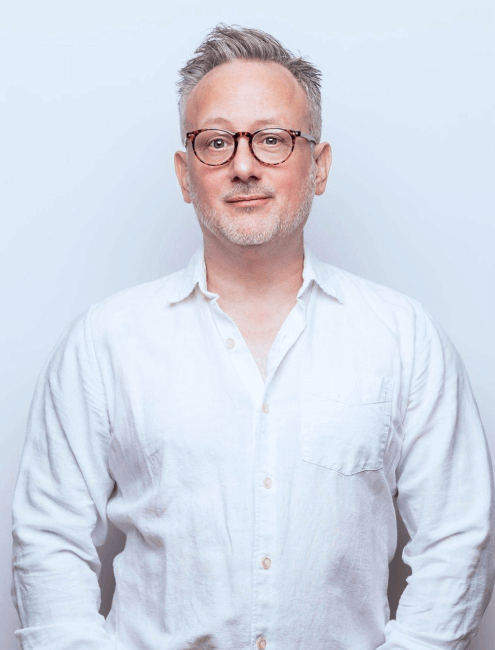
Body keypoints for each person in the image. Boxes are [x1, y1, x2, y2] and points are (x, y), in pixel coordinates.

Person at [11, 23, 495, 650]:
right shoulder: (105, 342)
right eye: (216, 143)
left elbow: (457, 538)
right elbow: (48, 538)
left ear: (318, 166)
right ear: (185, 174)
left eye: (272, 140)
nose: (243, 166)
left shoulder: (403, 338)